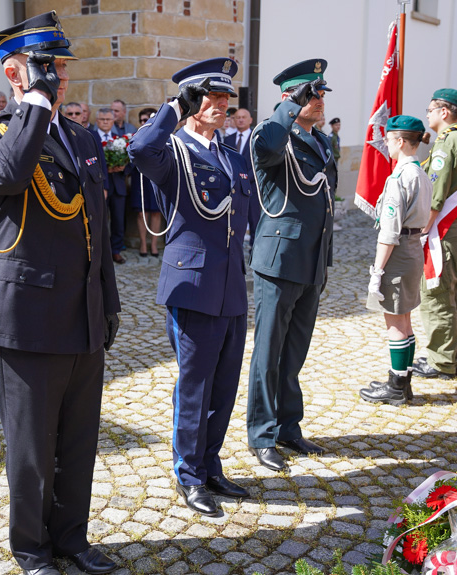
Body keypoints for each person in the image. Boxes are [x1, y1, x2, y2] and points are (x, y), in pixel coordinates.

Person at [0, 12, 121, 574]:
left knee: (79, 442)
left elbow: (98, 227)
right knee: (33, 451)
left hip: (82, 314)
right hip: (29, 320)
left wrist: (108, 300)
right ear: (15, 72)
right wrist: (33, 103)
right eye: (47, 67)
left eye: (60, 66)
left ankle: (72, 539)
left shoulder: (81, 136)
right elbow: (5, 175)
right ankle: (31, 548)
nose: (59, 77)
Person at [129, 57, 251, 516]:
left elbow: (245, 216)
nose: (221, 104)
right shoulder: (171, 152)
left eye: (225, 98)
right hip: (192, 284)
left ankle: (211, 463)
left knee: (224, 385)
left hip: (230, 286)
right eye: (212, 97)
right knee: (195, 385)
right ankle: (188, 473)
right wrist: (172, 109)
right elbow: (140, 149)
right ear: (192, 101)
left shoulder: (233, 155)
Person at [247, 59, 337, 472]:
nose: (319, 101)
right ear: (292, 98)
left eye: (320, 93)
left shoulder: (320, 142)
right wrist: (287, 106)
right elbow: (264, 146)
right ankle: (262, 435)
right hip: (279, 260)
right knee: (268, 353)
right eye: (312, 94)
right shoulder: (273, 137)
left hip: (311, 261)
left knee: (294, 353)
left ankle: (288, 426)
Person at [361, 115, 432, 405]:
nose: (387, 146)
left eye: (389, 141)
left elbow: (389, 233)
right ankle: (402, 381)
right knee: (405, 319)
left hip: (400, 251)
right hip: (413, 247)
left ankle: (396, 386)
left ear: (400, 142)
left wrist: (377, 271)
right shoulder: (421, 173)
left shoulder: (401, 177)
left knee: (395, 321)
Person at [410, 89, 457, 379]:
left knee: (436, 294)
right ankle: (453, 356)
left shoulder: (447, 143)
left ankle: (440, 361)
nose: (427, 115)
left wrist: (424, 232)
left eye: (430, 110)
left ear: (444, 112)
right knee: (453, 294)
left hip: (443, 229)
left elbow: (436, 194)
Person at [96, 107, 129, 263]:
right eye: (102, 119)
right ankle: (100, 252)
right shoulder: (92, 137)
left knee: (118, 221)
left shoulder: (120, 138)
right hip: (100, 186)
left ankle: (116, 250)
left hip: (118, 185)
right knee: (100, 220)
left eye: (108, 119)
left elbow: (131, 161)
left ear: (113, 121)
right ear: (97, 121)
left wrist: (122, 167)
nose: (105, 122)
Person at [224, 108, 258, 245]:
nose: (240, 120)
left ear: (250, 120)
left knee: (255, 222)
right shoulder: (227, 139)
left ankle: (255, 252)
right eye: (237, 117)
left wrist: (243, 179)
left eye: (244, 117)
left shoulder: (256, 139)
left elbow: (258, 164)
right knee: (234, 223)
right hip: (233, 190)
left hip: (252, 188)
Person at [132, 107, 162, 257]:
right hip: (140, 179)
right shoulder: (134, 137)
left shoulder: (162, 136)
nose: (145, 122)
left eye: (148, 119)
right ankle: (143, 243)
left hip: (157, 178)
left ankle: (154, 245)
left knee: (156, 213)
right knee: (141, 212)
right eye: (142, 120)